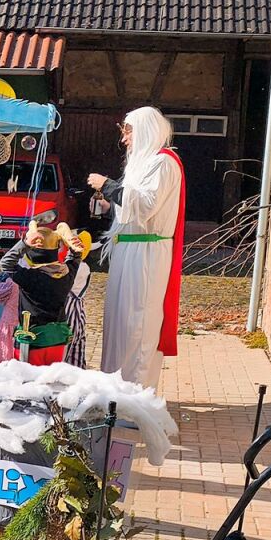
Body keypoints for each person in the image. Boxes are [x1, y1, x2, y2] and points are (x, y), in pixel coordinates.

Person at [88, 106, 185, 388]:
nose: (124, 139)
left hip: (146, 254)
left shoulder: (164, 162)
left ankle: (134, 396)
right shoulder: (143, 164)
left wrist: (108, 186)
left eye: (128, 131)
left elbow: (146, 204)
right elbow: (133, 210)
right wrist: (108, 207)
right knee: (119, 323)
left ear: (145, 131)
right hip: (129, 251)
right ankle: (115, 390)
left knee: (137, 323)